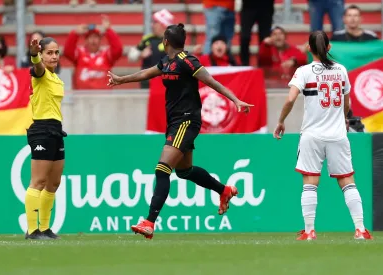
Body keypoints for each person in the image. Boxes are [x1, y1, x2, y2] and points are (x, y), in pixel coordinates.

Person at [107, 23, 253, 239]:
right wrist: (122, 79)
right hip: (174, 121)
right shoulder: (166, 61)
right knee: (184, 171)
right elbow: (148, 73)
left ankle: (149, 222)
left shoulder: (187, 61)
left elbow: (211, 82)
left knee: (162, 168)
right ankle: (224, 190)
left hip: (186, 120)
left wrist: (235, 99)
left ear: (165, 41)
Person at [273, 31, 372, 241]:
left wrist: (281, 121)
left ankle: (309, 231)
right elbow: (347, 103)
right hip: (337, 135)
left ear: (309, 49)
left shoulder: (303, 71)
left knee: (310, 182)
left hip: (312, 135)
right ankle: (360, 229)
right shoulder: (341, 70)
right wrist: (344, 119)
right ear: (329, 48)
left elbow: (290, 100)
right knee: (347, 181)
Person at [24, 37, 66, 240]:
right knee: (38, 181)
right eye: (49, 52)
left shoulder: (57, 79)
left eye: (56, 52)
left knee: (54, 183)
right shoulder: (39, 74)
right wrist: (33, 55)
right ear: (41, 55)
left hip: (56, 130)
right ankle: (32, 230)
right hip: (42, 129)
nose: (54, 56)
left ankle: (45, 228)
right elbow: (37, 68)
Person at [63, 15, 123, 90]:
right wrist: (75, 33)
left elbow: (118, 50)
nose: (93, 40)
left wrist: (108, 30)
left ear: (100, 40)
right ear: (86, 40)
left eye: (96, 37)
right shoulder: (79, 53)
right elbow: (67, 52)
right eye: (90, 37)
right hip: (82, 96)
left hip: (103, 96)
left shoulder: (107, 55)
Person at [127, 9, 173, 89]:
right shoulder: (148, 39)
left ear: (163, 24)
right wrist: (140, 54)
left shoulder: (172, 41)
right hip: (146, 83)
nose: (152, 25)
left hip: (165, 84)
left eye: (155, 22)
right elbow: (131, 57)